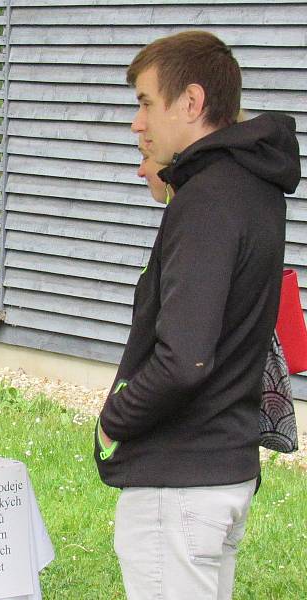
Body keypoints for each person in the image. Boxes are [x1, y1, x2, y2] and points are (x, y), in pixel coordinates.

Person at [95, 31, 300, 599]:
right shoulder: (254, 186)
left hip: (180, 480)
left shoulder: (208, 197)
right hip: (221, 466)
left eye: (144, 102)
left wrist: (114, 417)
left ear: (190, 102)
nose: (137, 124)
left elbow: (185, 358)